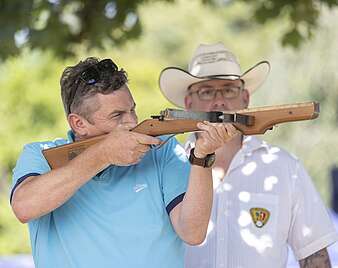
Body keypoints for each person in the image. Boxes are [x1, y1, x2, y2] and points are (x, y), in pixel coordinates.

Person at [10, 57, 239, 268]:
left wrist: (202, 156)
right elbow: (24, 206)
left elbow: (193, 232)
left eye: (132, 110)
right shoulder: (40, 155)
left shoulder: (162, 149)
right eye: (117, 115)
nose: (131, 121)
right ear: (78, 124)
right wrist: (103, 154)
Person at [159, 43, 338, 268]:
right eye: (206, 91)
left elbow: (314, 255)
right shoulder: (166, 167)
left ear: (245, 97)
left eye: (229, 89)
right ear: (188, 103)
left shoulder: (284, 167)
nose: (219, 101)